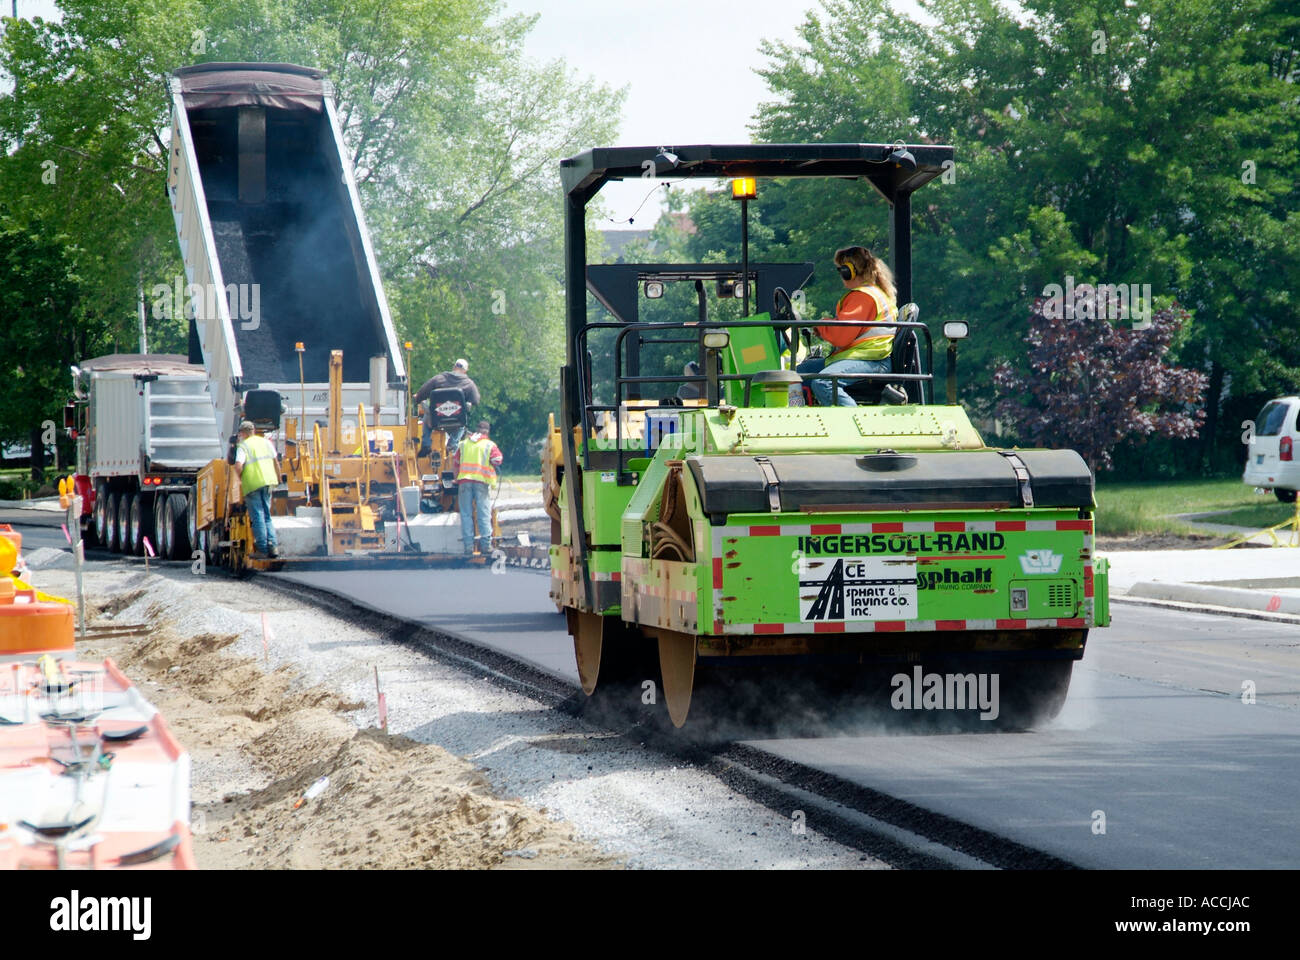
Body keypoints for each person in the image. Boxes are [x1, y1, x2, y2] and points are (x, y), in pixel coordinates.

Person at [796, 246, 898, 406]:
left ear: (848, 271)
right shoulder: (872, 293)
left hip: (872, 361)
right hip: (866, 358)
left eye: (840, 269)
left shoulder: (863, 297)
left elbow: (841, 335)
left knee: (824, 383)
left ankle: (854, 425)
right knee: (799, 373)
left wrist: (823, 325)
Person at [413, 358, 481, 456]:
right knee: (463, 420)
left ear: (454, 367)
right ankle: (452, 445)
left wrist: (418, 398)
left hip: (435, 420)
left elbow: (422, 393)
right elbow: (476, 400)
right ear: (465, 371)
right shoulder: (469, 384)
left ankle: (426, 444)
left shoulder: (438, 379)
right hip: (456, 422)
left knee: (426, 416)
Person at [455, 420, 503, 556]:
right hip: (481, 482)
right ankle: (486, 546)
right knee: (483, 513)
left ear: (476, 430)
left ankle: (468, 547)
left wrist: (455, 478)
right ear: (487, 432)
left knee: (466, 514)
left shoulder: (463, 444)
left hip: (464, 481)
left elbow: (456, 461)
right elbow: (498, 459)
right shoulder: (489, 444)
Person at [233, 420, 280, 559]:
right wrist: (279, 478)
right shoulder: (266, 442)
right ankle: (273, 546)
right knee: (267, 515)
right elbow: (276, 463)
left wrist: (241, 478)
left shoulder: (243, 446)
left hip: (252, 484)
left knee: (257, 516)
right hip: (268, 482)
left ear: (242, 433)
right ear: (253, 430)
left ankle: (262, 549)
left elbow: (237, 466)